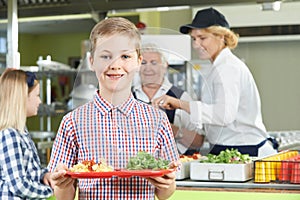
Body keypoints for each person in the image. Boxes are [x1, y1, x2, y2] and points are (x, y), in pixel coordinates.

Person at [48, 17, 179, 200]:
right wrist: (61, 185)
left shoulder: (158, 120)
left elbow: (165, 193)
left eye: (125, 56)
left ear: (138, 61)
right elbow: (64, 196)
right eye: (105, 56)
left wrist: (167, 184)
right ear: (92, 61)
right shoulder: (72, 122)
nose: (115, 65)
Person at [153, 7, 278, 158]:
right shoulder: (218, 67)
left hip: (243, 150)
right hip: (230, 149)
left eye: (202, 38)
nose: (196, 44)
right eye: (194, 39)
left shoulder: (227, 68)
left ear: (221, 37)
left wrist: (179, 104)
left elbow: (223, 115)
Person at [132, 43, 205, 155]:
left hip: (173, 166)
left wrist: (169, 128)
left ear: (165, 65)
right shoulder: (128, 97)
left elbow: (198, 141)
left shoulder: (181, 97)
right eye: (143, 63)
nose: (148, 68)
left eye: (154, 63)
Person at [0, 69, 53, 199]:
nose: (40, 101)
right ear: (22, 98)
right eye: (37, 95)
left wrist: (44, 175)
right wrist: (50, 192)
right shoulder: (9, 135)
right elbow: (18, 185)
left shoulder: (21, 132)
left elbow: (29, 172)